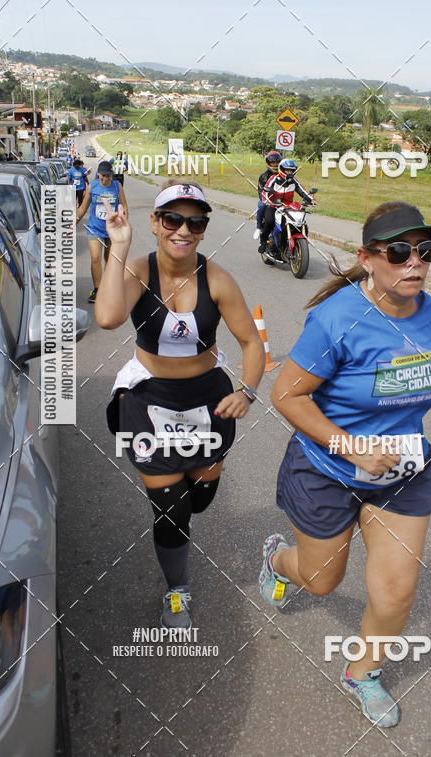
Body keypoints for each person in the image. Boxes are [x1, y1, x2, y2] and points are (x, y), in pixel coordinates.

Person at [259, 201, 431, 727]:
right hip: (326, 471)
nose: (415, 263)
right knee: (321, 580)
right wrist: (349, 447)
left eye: (425, 251)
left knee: (397, 589)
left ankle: (362, 672)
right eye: (399, 252)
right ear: (368, 259)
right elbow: (286, 395)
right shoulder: (338, 318)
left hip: (401, 472)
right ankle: (277, 562)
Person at [95, 179, 265, 629]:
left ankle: (179, 509)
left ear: (204, 228)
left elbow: (251, 342)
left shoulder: (218, 279)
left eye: (195, 221)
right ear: (155, 222)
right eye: (173, 218)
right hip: (148, 399)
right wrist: (119, 245)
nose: (183, 229)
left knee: (201, 497)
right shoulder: (136, 270)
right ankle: (177, 588)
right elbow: (109, 317)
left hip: (208, 401)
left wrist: (246, 391)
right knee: (170, 508)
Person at [75, 160, 128, 303]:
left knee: (110, 261)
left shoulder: (117, 186)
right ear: (98, 174)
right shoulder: (92, 186)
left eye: (109, 176)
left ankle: (110, 288)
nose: (106, 179)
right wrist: (71, 224)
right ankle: (97, 290)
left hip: (112, 231)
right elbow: (82, 208)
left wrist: (123, 222)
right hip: (95, 229)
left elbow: (124, 206)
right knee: (95, 258)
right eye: (104, 176)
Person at [258, 158, 316, 254]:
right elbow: (265, 192)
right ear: (282, 169)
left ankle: (299, 244)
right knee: (269, 221)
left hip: (288, 208)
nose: (290, 172)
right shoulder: (274, 179)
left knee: (302, 224)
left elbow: (302, 191)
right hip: (274, 206)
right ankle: (263, 242)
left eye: (292, 170)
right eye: (287, 170)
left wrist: (311, 199)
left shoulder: (294, 181)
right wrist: (267, 200)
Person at [253, 151, 281, 241]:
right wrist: (265, 200)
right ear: (268, 163)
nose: (275, 164)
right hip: (267, 199)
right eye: (273, 162)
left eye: (277, 162)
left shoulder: (283, 175)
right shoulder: (263, 176)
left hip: (281, 200)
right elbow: (261, 191)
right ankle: (259, 227)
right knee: (261, 205)